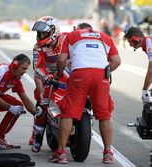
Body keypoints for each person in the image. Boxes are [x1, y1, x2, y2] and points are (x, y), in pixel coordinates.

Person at [49, 23, 121, 164]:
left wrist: (58, 75)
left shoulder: (72, 35)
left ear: (79, 29)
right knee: (105, 115)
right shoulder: (105, 37)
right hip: (101, 76)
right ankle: (107, 153)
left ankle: (61, 153)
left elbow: (62, 59)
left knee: (68, 113)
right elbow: (117, 61)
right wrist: (106, 72)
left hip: (80, 74)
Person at [29, 16, 69, 153]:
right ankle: (37, 138)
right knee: (41, 106)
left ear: (53, 31)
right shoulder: (38, 47)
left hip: (71, 77)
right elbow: (37, 67)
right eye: (38, 33)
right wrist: (46, 77)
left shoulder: (67, 39)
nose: (39, 36)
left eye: (42, 33)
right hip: (50, 78)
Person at [124, 27, 152, 102]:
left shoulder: (149, 42)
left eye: (130, 42)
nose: (130, 45)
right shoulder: (147, 43)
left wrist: (145, 89)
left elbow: (151, 70)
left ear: (136, 37)